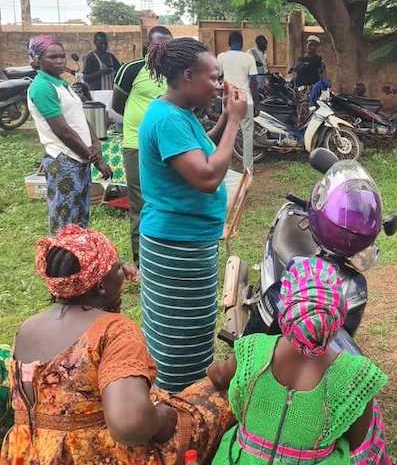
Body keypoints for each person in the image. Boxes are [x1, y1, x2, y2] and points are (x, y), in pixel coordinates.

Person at [0, 225, 234, 464]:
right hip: (97, 455)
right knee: (218, 397)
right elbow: (130, 425)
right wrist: (162, 420)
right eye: (117, 266)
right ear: (101, 286)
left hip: (28, 454)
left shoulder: (27, 329)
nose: (125, 270)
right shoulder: (112, 330)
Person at [138, 37, 247, 393]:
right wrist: (233, 122)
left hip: (185, 242)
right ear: (187, 76)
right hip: (177, 245)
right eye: (213, 78)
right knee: (181, 336)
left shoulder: (178, 114)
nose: (218, 86)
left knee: (189, 330)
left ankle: (181, 401)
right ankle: (179, 406)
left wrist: (225, 121)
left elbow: (203, 149)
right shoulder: (168, 119)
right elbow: (206, 175)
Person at [208, 257, 390, 464]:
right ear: (338, 316)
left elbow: (218, 375)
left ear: (285, 312)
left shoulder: (253, 349)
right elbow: (357, 442)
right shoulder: (356, 375)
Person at [26, 35, 113, 235]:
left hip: (79, 158)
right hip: (64, 160)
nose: (60, 61)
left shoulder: (61, 84)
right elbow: (62, 131)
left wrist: (96, 143)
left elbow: (80, 117)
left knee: (80, 218)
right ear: (37, 59)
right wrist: (96, 161)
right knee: (64, 222)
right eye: (52, 57)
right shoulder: (42, 87)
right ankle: (59, 263)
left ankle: (76, 263)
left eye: (62, 56)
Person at [112, 25, 173, 264]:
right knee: (140, 204)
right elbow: (118, 105)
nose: (164, 48)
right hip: (136, 145)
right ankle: (141, 261)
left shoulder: (176, 71)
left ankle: (165, 254)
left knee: (167, 200)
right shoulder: (132, 69)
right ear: (148, 45)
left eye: (168, 44)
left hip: (169, 147)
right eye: (159, 44)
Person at [218, 31, 260, 169]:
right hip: (246, 101)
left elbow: (217, 77)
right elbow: (254, 83)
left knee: (227, 134)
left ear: (228, 43)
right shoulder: (248, 58)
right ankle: (248, 168)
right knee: (247, 135)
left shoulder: (222, 57)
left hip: (229, 101)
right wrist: (257, 104)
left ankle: (225, 167)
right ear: (242, 44)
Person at [289, 35, 327, 122]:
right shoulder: (301, 59)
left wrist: (323, 90)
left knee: (306, 112)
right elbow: (296, 73)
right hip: (298, 90)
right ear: (307, 45)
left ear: (317, 47)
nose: (311, 47)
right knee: (298, 111)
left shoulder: (319, 61)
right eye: (310, 45)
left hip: (310, 91)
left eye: (314, 45)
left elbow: (323, 76)